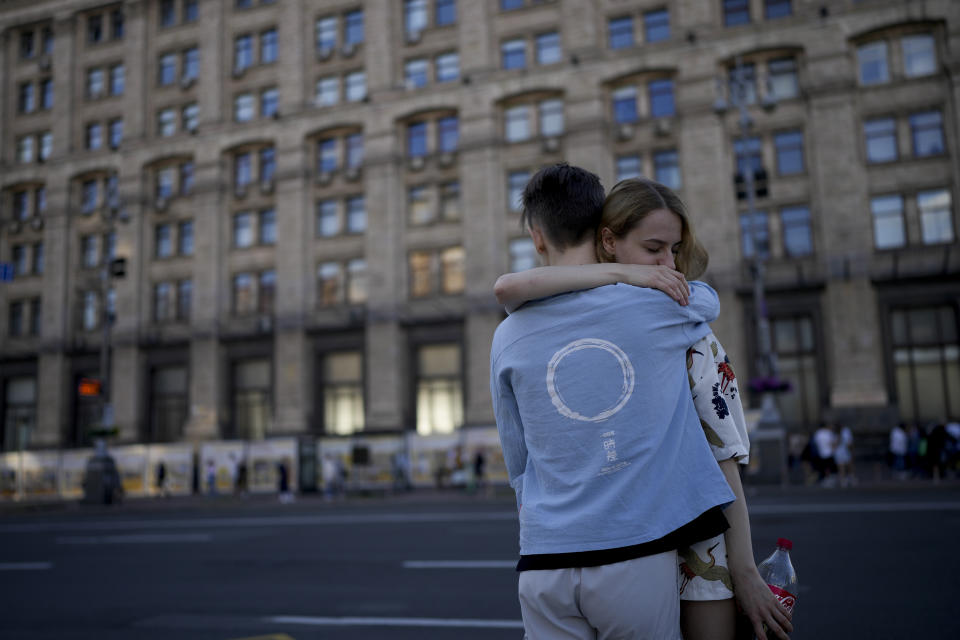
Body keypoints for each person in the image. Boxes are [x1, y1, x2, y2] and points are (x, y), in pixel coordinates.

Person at [494, 175, 790, 640]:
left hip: (544, 557)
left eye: (672, 251)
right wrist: (630, 277)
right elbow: (705, 302)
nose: (668, 265)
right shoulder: (666, 311)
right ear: (603, 236)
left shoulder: (506, 335)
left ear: (536, 238)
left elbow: (518, 465)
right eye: (656, 251)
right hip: (635, 547)